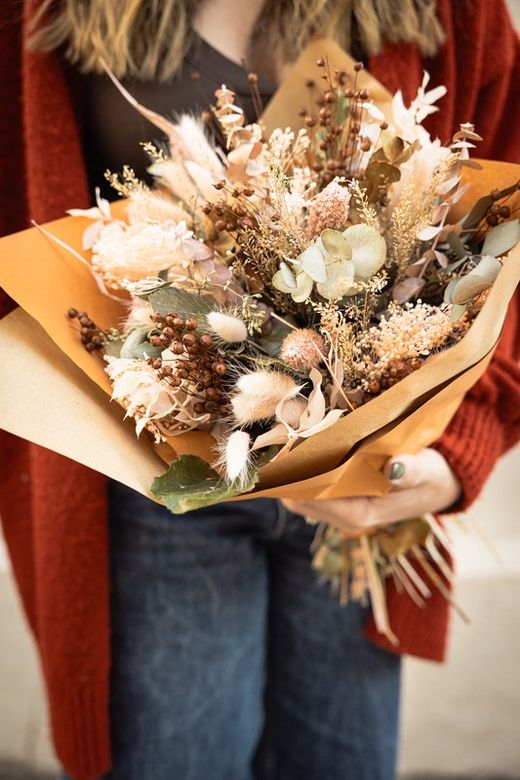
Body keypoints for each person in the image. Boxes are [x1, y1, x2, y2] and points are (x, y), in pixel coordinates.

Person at [0, 1, 518, 778]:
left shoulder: (445, 8)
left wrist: (460, 444)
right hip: (158, 489)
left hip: (363, 497)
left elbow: (504, 217)